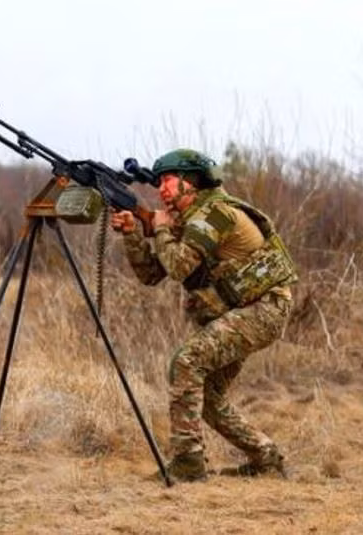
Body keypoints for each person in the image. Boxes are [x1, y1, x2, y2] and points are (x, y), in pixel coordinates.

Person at [109, 149, 297, 482]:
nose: (161, 190)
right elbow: (152, 274)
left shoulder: (215, 215)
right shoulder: (193, 220)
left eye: (167, 181)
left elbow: (179, 266)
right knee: (208, 396)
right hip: (248, 311)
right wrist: (132, 233)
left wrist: (163, 229)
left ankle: (188, 464)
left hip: (264, 309)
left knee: (187, 362)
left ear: (190, 182)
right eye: (159, 183)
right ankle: (266, 457)